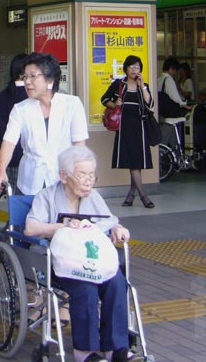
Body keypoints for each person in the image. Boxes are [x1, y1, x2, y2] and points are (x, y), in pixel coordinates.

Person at [24, 146, 132, 362]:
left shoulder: (93, 197)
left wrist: (116, 228)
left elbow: (109, 220)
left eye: (92, 175)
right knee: (86, 288)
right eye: (82, 175)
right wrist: (62, 227)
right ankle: (85, 352)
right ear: (64, 176)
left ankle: (115, 348)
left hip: (92, 260)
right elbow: (31, 228)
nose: (88, 181)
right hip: (62, 264)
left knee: (117, 283)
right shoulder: (47, 196)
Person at [0, 52, 88, 195]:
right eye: (25, 76)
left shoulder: (72, 105)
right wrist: (0, 171)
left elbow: (79, 146)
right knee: (29, 216)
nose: (27, 81)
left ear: (50, 80)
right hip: (30, 182)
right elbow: (8, 142)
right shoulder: (20, 109)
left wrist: (81, 174)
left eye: (33, 76)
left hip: (63, 179)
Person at [102, 55, 156, 208]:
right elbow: (104, 99)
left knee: (137, 163)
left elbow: (150, 104)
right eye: (131, 67)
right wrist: (115, 104)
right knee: (133, 164)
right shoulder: (119, 84)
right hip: (125, 127)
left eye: (137, 67)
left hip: (140, 127)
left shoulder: (142, 85)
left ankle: (131, 195)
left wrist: (142, 86)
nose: (134, 70)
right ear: (125, 68)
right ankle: (143, 196)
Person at [0, 54, 28, 188]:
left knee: (15, 200)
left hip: (8, 155)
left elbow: (1, 125)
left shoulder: (4, 94)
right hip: (26, 156)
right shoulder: (30, 95)